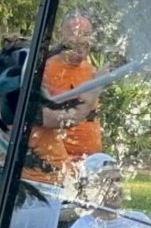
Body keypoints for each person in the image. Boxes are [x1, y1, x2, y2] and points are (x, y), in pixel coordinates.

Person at [28, 15, 103, 178]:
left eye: (85, 35)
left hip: (90, 159)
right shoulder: (45, 70)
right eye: (75, 34)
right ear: (60, 35)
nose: (81, 41)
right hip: (60, 162)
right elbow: (48, 118)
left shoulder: (91, 70)